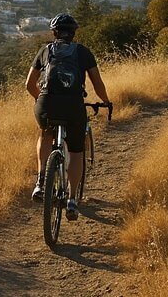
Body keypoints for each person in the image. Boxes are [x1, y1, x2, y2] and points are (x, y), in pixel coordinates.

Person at [25, 13, 111, 220]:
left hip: (47, 103)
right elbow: (97, 83)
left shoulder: (45, 51)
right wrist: (106, 101)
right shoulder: (82, 52)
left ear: (54, 32)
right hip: (73, 106)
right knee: (76, 150)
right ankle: (72, 200)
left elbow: (29, 84)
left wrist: (42, 100)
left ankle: (40, 182)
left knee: (45, 135)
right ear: (73, 33)